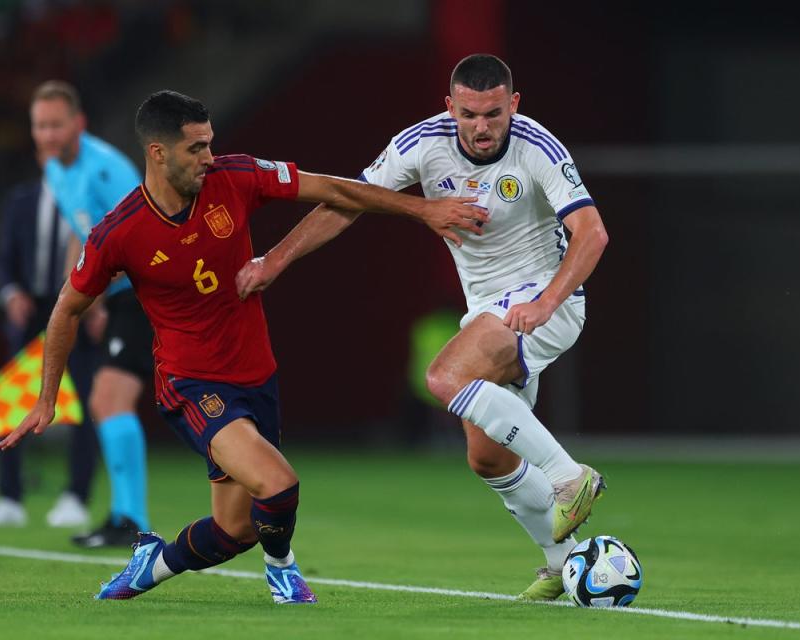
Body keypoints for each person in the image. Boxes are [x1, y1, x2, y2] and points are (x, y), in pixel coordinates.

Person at [0, 90, 485, 604]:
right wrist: (47, 398)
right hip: (191, 382)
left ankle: (151, 564)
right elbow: (65, 310)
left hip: (256, 376)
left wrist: (422, 209)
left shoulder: (235, 176)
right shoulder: (120, 232)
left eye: (210, 144)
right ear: (158, 153)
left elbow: (339, 191)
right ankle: (284, 574)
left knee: (235, 531)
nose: (209, 157)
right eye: (196, 149)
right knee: (277, 485)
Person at [235, 54, 609, 601]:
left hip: (543, 300)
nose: (482, 127)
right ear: (449, 106)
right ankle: (562, 562)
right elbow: (346, 201)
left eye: (494, 114)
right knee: (487, 455)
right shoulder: (421, 144)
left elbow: (592, 233)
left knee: (442, 377)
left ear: (515, 105)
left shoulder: (539, 147)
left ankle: (569, 476)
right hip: (486, 308)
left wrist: (549, 300)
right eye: (469, 114)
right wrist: (274, 260)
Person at [30, 80, 153, 547]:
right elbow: (81, 234)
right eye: (40, 126)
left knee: (110, 400)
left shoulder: (106, 170)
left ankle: (131, 521)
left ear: (77, 124)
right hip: (116, 296)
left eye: (55, 125)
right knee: (108, 402)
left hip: (143, 291)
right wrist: (75, 297)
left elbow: (140, 235)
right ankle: (126, 518)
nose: (47, 135)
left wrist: (96, 298)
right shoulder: (55, 171)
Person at [0, 157, 99, 529]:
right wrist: (10, 293)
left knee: (84, 401)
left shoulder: (92, 202)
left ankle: (76, 497)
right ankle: (8, 497)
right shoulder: (21, 201)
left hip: (76, 308)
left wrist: (98, 305)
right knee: (10, 403)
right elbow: (4, 263)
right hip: (31, 312)